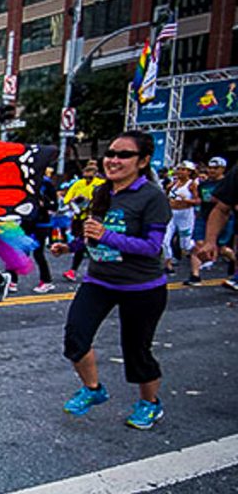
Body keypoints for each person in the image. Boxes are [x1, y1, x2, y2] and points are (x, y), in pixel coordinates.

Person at [51, 131, 171, 430]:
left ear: (142, 161)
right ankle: (93, 389)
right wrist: (72, 247)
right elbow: (93, 231)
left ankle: (150, 404)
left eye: (124, 155)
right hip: (100, 281)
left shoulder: (152, 197)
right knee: (75, 339)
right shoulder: (103, 192)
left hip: (142, 287)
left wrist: (109, 237)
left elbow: (152, 247)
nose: (113, 160)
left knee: (137, 351)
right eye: (111, 153)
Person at [185, 157, 235, 286]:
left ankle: (234, 262)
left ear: (223, 169)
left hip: (226, 219)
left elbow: (226, 206)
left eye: (215, 168)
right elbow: (204, 201)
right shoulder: (203, 184)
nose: (212, 171)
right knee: (198, 245)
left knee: (223, 249)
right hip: (205, 217)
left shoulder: (227, 182)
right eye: (210, 168)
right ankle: (195, 276)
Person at [8, 168, 57, 293]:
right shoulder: (23, 182)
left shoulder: (46, 183)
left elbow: (54, 205)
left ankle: (46, 281)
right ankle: (12, 281)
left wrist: (43, 204)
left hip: (42, 223)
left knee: (38, 253)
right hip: (27, 221)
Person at [61, 165, 105, 282]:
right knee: (82, 244)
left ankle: (77, 270)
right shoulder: (78, 183)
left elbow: (101, 200)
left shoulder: (101, 184)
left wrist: (88, 200)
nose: (88, 180)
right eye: (86, 177)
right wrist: (74, 200)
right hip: (78, 218)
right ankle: (75, 270)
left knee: (89, 244)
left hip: (93, 218)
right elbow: (67, 199)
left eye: (90, 178)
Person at [162, 161, 199, 275]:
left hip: (185, 215)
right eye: (179, 169)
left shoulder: (192, 185)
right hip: (172, 214)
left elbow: (197, 201)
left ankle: (199, 253)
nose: (180, 172)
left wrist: (186, 200)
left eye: (183, 170)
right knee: (164, 240)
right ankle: (168, 266)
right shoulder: (173, 184)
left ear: (189, 172)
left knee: (185, 245)